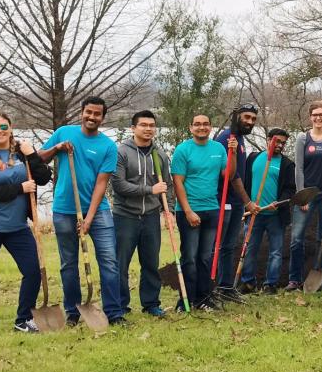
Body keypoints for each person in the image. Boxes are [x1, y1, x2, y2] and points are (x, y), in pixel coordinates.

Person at [38, 97, 124, 326]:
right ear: (82, 112)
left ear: (103, 117)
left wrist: (88, 218)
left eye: (97, 114)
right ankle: (73, 312)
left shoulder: (108, 146)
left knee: (109, 261)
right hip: (64, 209)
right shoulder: (64, 133)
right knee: (68, 263)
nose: (92, 117)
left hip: (98, 211)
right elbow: (38, 159)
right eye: (88, 112)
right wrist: (57, 148)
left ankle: (114, 313)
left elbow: (101, 184)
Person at [0, 112, 52, 333]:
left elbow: (43, 178)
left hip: (17, 228)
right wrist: (19, 189)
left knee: (33, 270)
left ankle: (23, 319)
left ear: (11, 127)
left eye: (3, 126)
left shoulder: (22, 152)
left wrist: (32, 154)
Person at [111, 110, 172, 317]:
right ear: (133, 128)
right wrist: (149, 190)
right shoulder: (121, 152)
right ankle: (120, 304)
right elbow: (118, 185)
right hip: (125, 216)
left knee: (150, 263)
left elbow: (167, 186)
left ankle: (151, 303)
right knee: (121, 263)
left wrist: (168, 210)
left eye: (151, 125)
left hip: (151, 217)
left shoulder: (160, 155)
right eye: (143, 125)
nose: (148, 129)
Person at [170, 114, 230, 311]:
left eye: (205, 124)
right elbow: (177, 181)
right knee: (189, 257)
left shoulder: (219, 149)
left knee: (206, 257)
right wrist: (187, 211)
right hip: (189, 211)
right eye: (197, 124)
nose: (201, 127)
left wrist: (234, 153)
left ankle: (204, 298)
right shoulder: (183, 150)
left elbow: (228, 174)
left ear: (211, 127)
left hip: (212, 209)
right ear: (191, 127)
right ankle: (186, 300)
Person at [287, 100, 322, 291]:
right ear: (310, 117)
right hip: (308, 193)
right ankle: (294, 279)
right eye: (315, 114)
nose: (318, 118)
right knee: (297, 238)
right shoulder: (303, 138)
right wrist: (302, 196)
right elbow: (299, 168)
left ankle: (321, 277)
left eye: (321, 114)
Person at [238, 128, 296, 293]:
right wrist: (247, 204)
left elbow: (290, 190)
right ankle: (248, 282)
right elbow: (244, 182)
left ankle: (270, 284)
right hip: (254, 214)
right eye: (277, 141)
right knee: (250, 249)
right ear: (268, 139)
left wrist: (278, 202)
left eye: (283, 143)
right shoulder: (253, 158)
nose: (280, 145)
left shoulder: (287, 164)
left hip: (275, 216)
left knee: (276, 252)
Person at [213, 103, 260, 295]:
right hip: (223, 200)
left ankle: (226, 286)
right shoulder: (226, 138)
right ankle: (212, 286)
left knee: (229, 246)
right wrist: (248, 201)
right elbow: (231, 176)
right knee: (218, 245)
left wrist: (244, 202)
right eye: (246, 117)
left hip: (236, 202)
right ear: (236, 116)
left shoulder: (239, 139)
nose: (250, 122)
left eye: (253, 119)